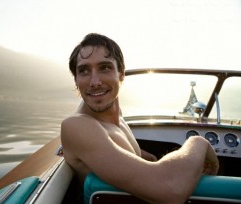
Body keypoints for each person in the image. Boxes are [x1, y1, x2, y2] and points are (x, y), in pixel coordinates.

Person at [61, 33, 219, 204]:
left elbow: (115, 149)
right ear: (76, 80)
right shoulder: (76, 126)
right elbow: (170, 189)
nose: (95, 82)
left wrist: (145, 158)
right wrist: (198, 143)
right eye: (84, 71)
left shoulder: (116, 117)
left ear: (121, 74)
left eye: (104, 67)